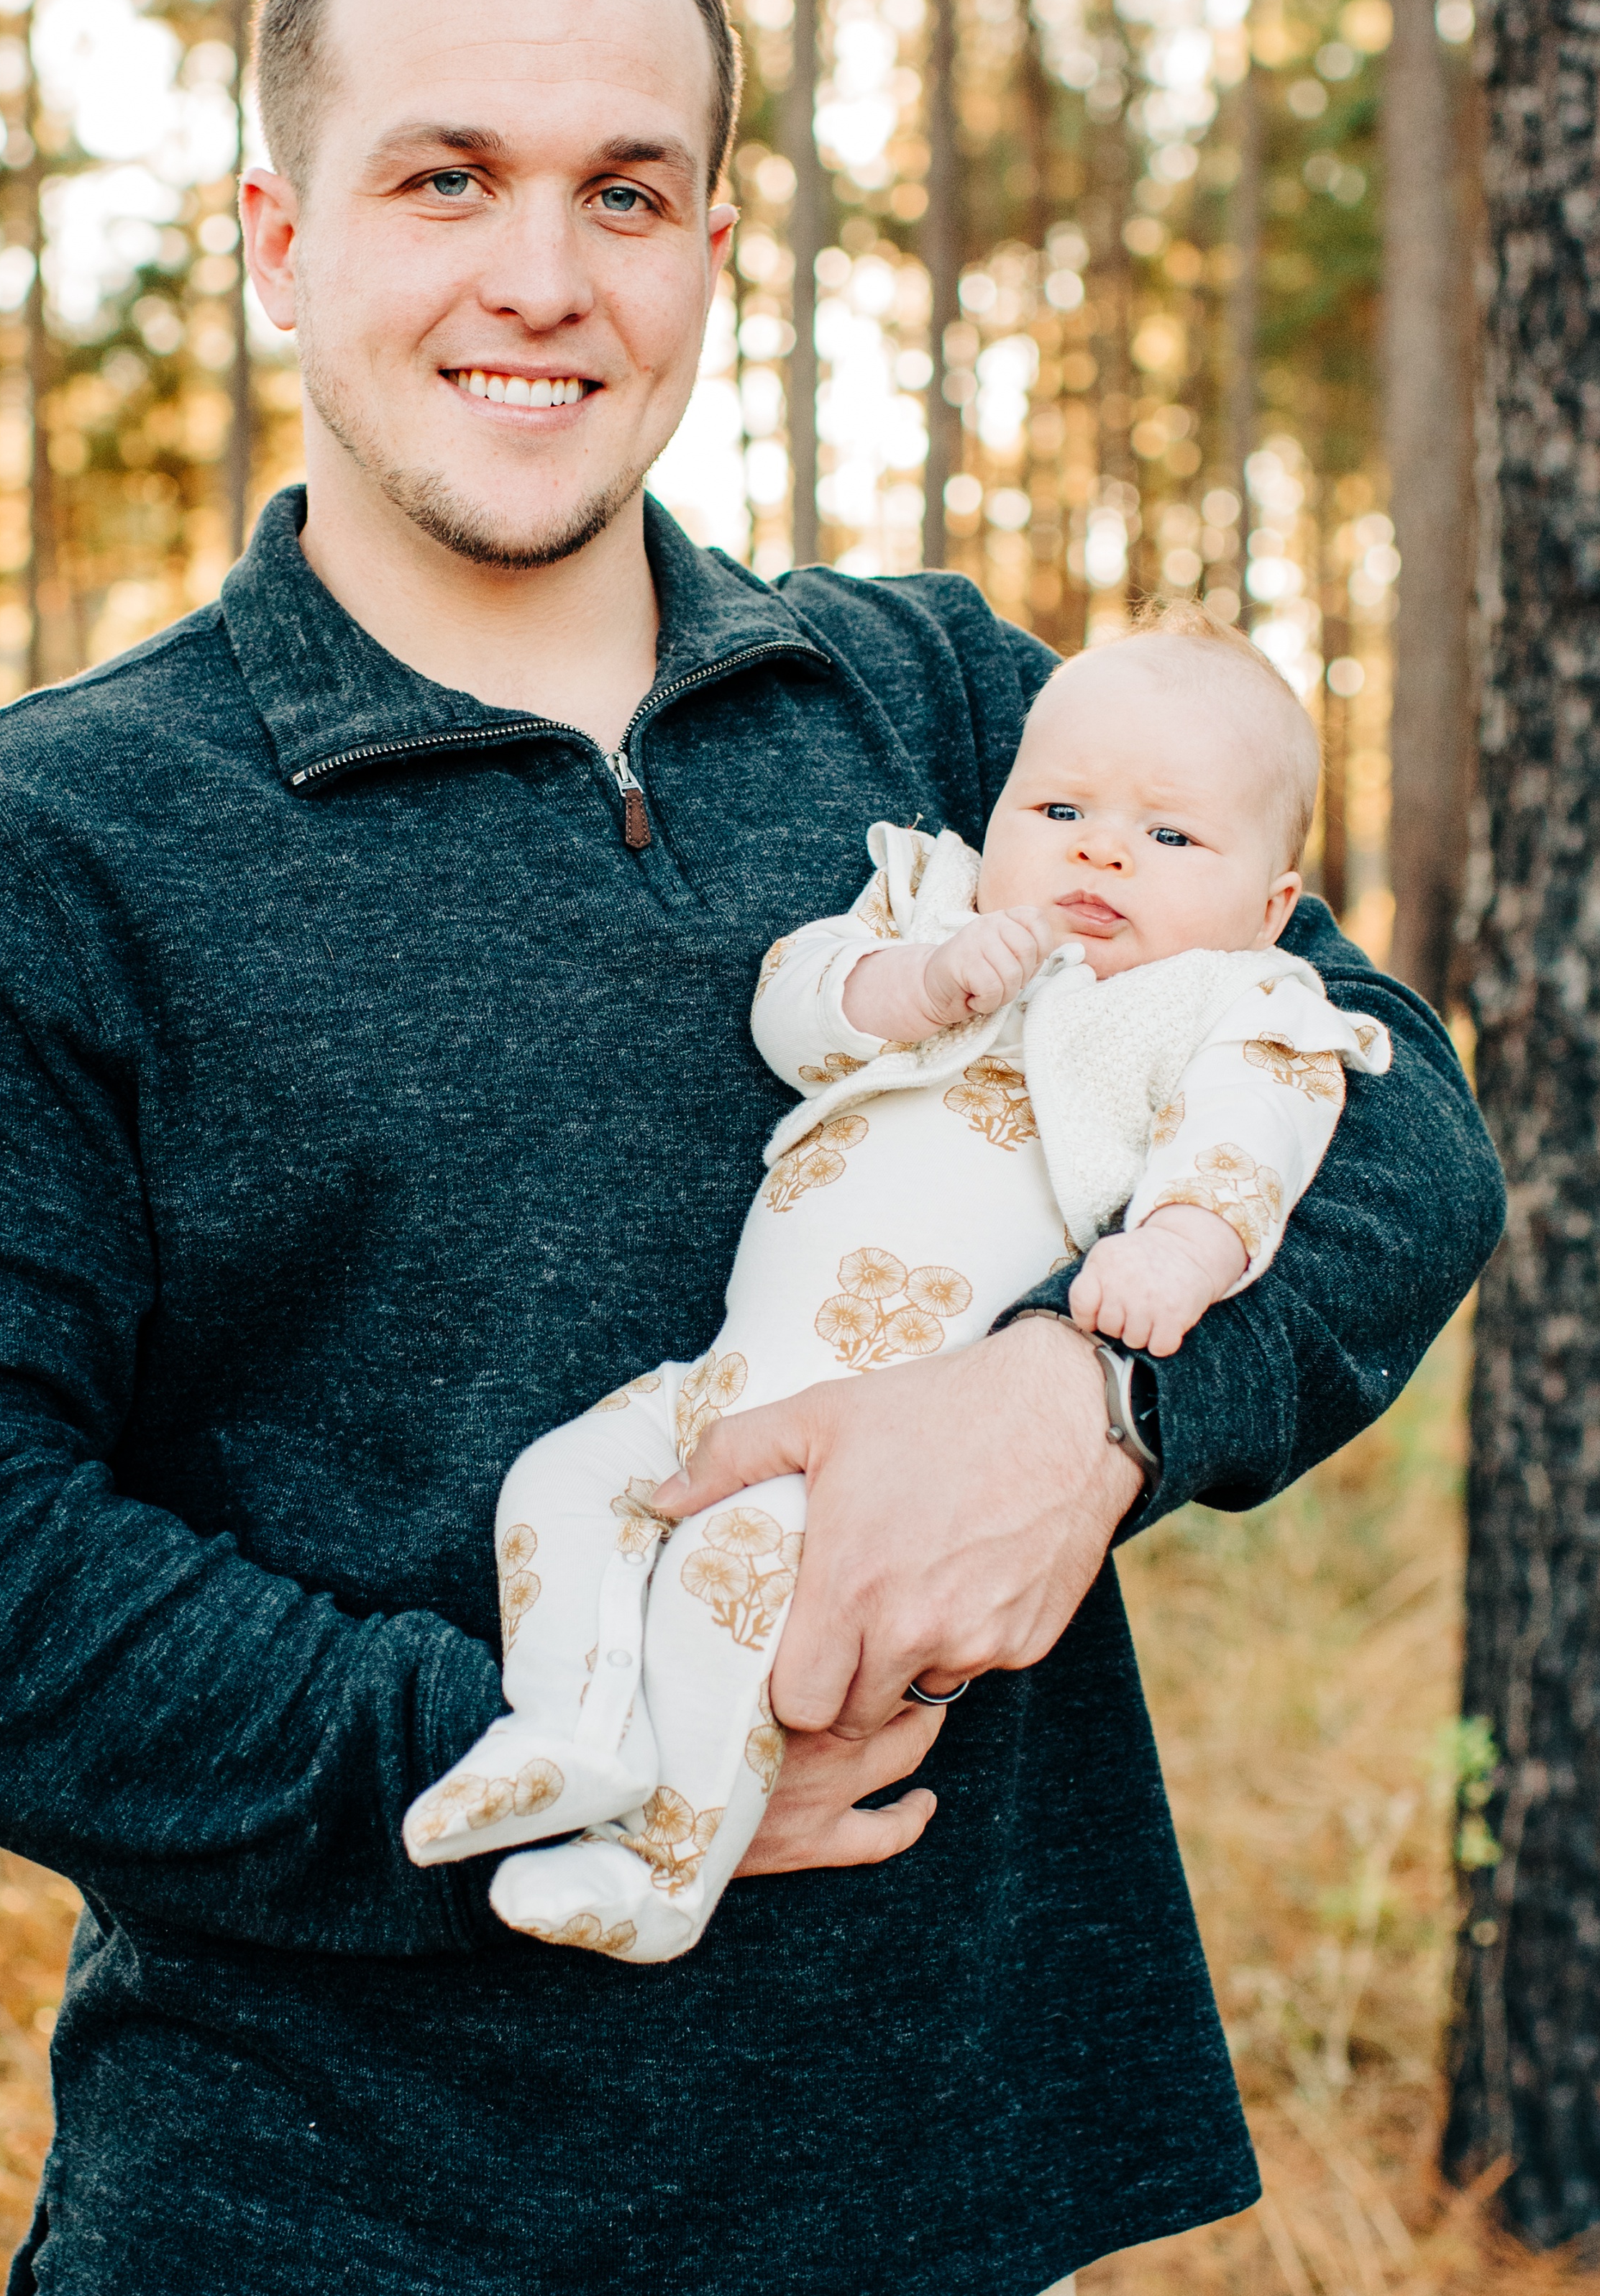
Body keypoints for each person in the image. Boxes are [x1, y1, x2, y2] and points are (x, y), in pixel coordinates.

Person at [0, 0, 1504, 2296]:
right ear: (275, 233)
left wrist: (1087, 1417)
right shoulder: (42, 848)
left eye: (625, 185)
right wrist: (557, 1751)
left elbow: (1385, 1109)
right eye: (438, 177)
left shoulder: (939, 707)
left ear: (712, 236)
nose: (536, 273)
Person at [409, 619, 1394, 1965]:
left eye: (1171, 840)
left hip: (868, 1452)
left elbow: (1254, 1147)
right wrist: (916, 982)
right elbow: (792, 1007)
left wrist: (1175, 1252)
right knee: (564, 1486)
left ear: (1273, 905)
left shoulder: (1230, 1004)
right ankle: (569, 1729)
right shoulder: (936, 909)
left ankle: (659, 1876)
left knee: (728, 1593)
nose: (1103, 851)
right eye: (1061, 810)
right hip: (725, 1383)